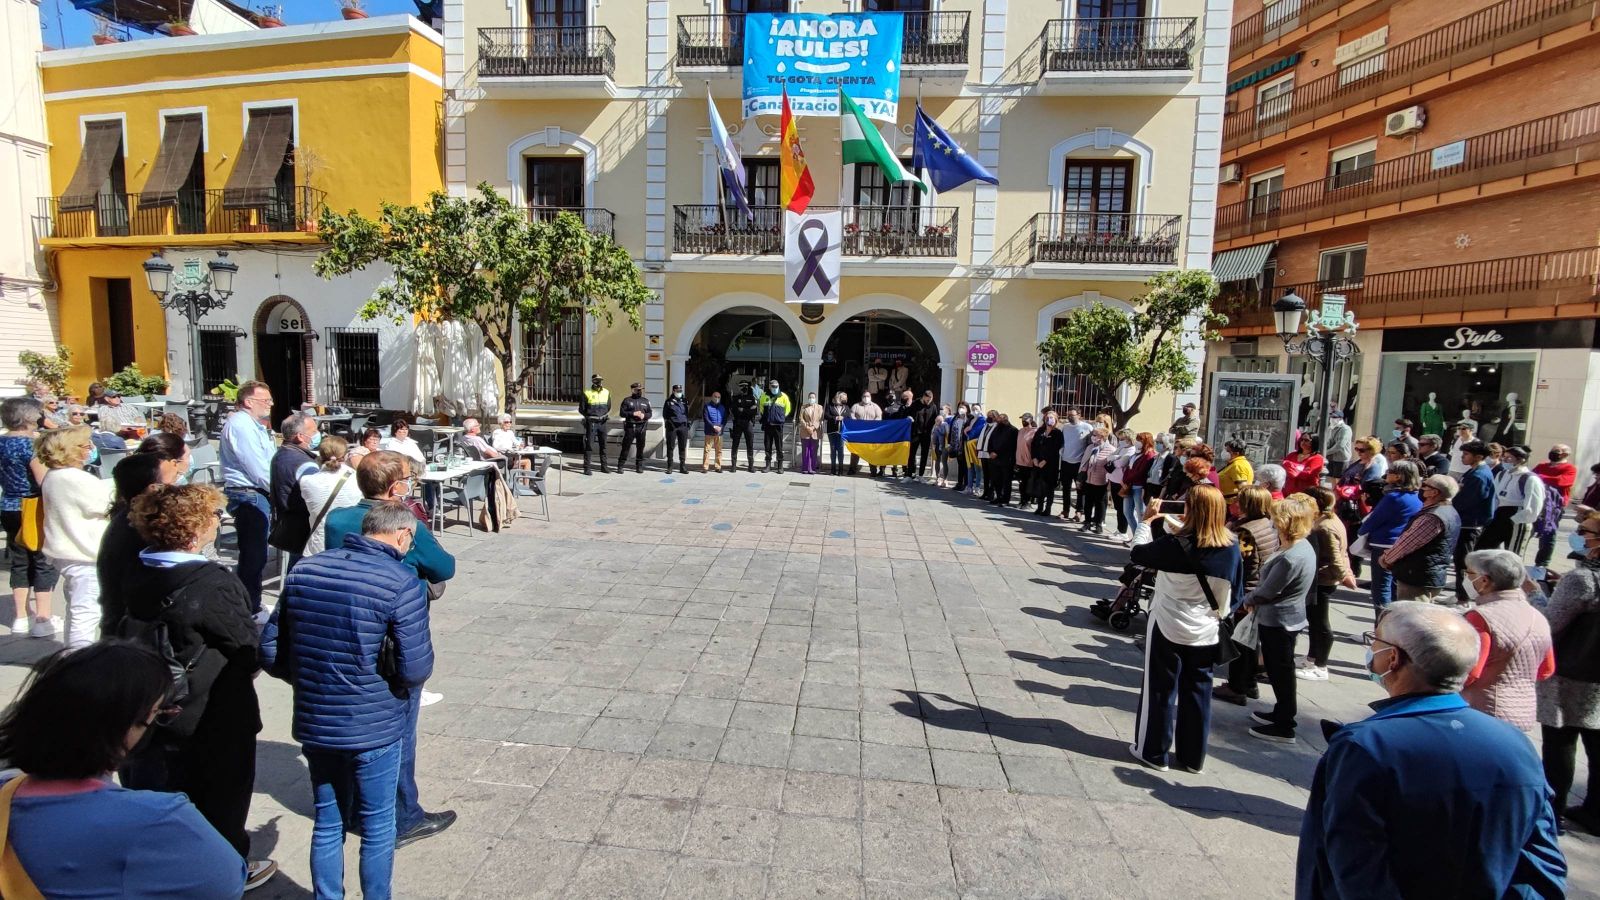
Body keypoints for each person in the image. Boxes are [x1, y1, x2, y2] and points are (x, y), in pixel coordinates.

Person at [1297, 601, 1566, 899]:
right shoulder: (1517, 744)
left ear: (1393, 658)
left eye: (1375, 641)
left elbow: (1353, 867)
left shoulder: (1365, 747)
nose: (1372, 648)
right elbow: (1542, 863)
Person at [262, 502, 434, 899]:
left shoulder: (305, 570)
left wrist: (313, 682)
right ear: (403, 535)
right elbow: (414, 668)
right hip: (375, 722)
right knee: (377, 824)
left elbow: (270, 650)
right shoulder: (400, 581)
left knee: (328, 820)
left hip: (316, 719)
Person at [119, 483, 276, 888]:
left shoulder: (135, 567)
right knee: (221, 796)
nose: (217, 522)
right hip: (209, 710)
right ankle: (224, 872)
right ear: (192, 528)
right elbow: (245, 645)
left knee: (161, 791)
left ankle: (165, 867)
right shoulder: (209, 582)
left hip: (147, 704)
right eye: (211, 517)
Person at [0, 643, 248, 897]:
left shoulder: (5, 789)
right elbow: (226, 883)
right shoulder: (157, 818)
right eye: (157, 715)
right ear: (124, 729)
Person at [323, 452, 457, 848]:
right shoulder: (403, 523)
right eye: (406, 479)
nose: (410, 483)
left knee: (354, 720)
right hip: (392, 634)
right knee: (399, 727)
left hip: (347, 628)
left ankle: (353, 807)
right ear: (394, 487)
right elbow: (443, 567)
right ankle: (402, 816)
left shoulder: (338, 519)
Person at [1128, 486, 1242, 773]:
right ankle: (1193, 758)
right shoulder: (1231, 546)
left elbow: (1138, 553)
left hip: (1168, 621)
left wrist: (1146, 521)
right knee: (1198, 690)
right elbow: (1236, 591)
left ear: (1191, 510)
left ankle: (1152, 751)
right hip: (1207, 625)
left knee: (1160, 687)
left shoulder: (1177, 545)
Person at [1538, 512, 1600, 835]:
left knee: (1560, 743)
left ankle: (1552, 813)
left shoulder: (1583, 580)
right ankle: (1595, 812)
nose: (1578, 535)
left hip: (1571, 673)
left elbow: (1549, 625)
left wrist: (1536, 594)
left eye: (1585, 531)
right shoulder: (1581, 579)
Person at [1239, 494, 1318, 743]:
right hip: (1284, 617)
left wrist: (1247, 600)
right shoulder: (1298, 546)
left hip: (1279, 620)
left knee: (1280, 670)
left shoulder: (1291, 556)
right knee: (1279, 669)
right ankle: (1281, 712)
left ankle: (1285, 723)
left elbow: (1268, 591)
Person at [1460, 549, 1555, 731]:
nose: (1465, 577)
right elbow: (1546, 670)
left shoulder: (1481, 617)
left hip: (1483, 712)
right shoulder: (1537, 616)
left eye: (1468, 573)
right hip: (1523, 712)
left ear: (1484, 580)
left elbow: (1470, 672)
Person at [37, 426, 112, 650]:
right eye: (85, 445)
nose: (90, 448)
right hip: (84, 553)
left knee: (77, 608)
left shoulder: (55, 475)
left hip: (68, 552)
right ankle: (78, 659)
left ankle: (72, 655)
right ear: (70, 450)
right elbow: (106, 503)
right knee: (86, 611)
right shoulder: (73, 478)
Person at [0, 397, 56, 637]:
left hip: (8, 505)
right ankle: (43, 619)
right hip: (32, 506)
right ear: (29, 417)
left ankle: (21, 617)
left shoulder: (1, 442)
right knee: (42, 562)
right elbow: (44, 480)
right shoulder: (31, 446)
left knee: (19, 562)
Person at [218, 380, 275, 614]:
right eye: (265, 400)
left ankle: (249, 602)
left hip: (254, 492)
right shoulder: (241, 426)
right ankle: (248, 606)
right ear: (249, 402)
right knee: (253, 555)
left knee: (257, 554)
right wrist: (278, 490)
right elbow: (257, 467)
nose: (270, 404)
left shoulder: (253, 424)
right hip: (248, 493)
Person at [96, 452, 167, 633]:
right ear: (153, 488)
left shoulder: (127, 518)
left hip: (124, 624)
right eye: (170, 480)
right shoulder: (138, 527)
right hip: (131, 631)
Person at [1298, 486, 1357, 682]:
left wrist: (1344, 575)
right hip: (1322, 578)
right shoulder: (1327, 521)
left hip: (1323, 580)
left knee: (1320, 624)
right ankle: (1311, 658)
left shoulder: (1324, 526)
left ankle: (1320, 665)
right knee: (1315, 622)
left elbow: (1336, 556)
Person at [1380, 474, 1462, 605]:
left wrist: (1386, 559)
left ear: (1434, 492)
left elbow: (1407, 544)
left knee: (1410, 620)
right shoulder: (1449, 511)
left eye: (1425, 485)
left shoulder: (1432, 517)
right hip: (1427, 575)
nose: (1421, 488)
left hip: (1417, 578)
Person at [1359, 459, 1423, 613]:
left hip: (1384, 544)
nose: (1387, 474)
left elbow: (1375, 519)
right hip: (1402, 544)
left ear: (1399, 477)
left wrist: (1362, 530)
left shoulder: (1393, 497)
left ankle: (1381, 625)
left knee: (1380, 587)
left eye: (1391, 472)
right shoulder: (1416, 496)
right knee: (1393, 585)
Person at [269, 411, 319, 571]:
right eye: (313, 431)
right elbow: (316, 496)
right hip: (304, 527)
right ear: (300, 436)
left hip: (291, 523)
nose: (318, 434)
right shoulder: (304, 464)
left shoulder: (281, 454)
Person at [298, 436, 364, 557]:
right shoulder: (358, 478)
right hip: (349, 547)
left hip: (318, 548)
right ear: (344, 456)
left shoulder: (306, 481)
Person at [1479, 445, 1545, 556]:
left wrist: (1515, 520)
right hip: (1499, 515)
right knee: (1483, 549)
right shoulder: (1502, 474)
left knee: (1512, 555)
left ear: (1520, 460)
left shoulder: (1530, 479)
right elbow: (1495, 496)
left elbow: (1534, 506)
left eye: (1509, 458)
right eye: (1504, 457)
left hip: (1517, 518)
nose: (1504, 460)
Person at [1454, 439, 1497, 601]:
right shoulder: (1473, 472)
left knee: (1465, 562)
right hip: (1466, 522)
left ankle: (1465, 597)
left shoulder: (1479, 475)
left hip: (1470, 524)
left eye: (1466, 454)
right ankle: (1462, 593)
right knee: (1461, 561)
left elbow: (1465, 501)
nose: (1462, 457)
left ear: (1478, 457)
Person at [1533, 444, 1578, 569]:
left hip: (1554, 506)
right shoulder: (1542, 466)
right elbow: (1530, 477)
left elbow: (1561, 481)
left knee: (1548, 533)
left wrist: (1539, 477)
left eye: (1556, 451)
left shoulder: (1570, 468)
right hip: (1537, 502)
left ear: (1565, 454)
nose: (1552, 452)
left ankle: (1542, 563)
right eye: (1552, 450)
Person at [1057, 409, 1094, 521]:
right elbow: (1063, 442)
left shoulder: (1087, 427)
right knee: (1066, 488)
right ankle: (1065, 510)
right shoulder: (1065, 427)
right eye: (1068, 415)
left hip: (1079, 463)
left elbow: (1091, 444)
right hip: (1066, 461)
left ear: (1079, 415)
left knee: (1080, 489)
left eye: (1072, 415)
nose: (1069, 417)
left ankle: (1079, 511)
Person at [1120, 432, 1157, 539]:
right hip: (1129, 486)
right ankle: (1136, 536)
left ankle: (1141, 539)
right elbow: (1129, 468)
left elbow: (1140, 472)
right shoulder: (1137, 453)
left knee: (1141, 514)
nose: (1137, 442)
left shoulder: (1149, 455)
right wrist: (1124, 479)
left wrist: (1126, 479)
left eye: (1140, 440)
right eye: (1137, 439)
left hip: (1138, 487)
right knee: (1127, 512)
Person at [1078, 427, 1115, 534]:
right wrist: (1080, 478)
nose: (1092, 437)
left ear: (1102, 437)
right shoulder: (1090, 447)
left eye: (1095, 435)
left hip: (1102, 480)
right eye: (1093, 435)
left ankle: (1099, 524)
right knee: (1088, 502)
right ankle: (1087, 522)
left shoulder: (1111, 449)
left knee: (1100, 503)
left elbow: (1111, 467)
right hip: (1089, 479)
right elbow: (1084, 463)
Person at [1030, 413, 1066, 516]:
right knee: (1040, 486)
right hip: (1038, 463)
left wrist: (1045, 460)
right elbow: (1033, 445)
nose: (1049, 420)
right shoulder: (1040, 431)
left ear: (1055, 420)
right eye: (1047, 418)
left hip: (1050, 464)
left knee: (1049, 487)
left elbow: (1055, 449)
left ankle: (1048, 508)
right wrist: (1034, 458)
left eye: (1051, 418)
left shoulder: (1057, 433)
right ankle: (1039, 507)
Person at [578, 374, 612, 475]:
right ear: (593, 381)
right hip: (591, 423)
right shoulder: (587, 392)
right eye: (597, 380)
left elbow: (609, 406)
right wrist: (589, 417)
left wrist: (602, 415)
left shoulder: (606, 392)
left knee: (604, 445)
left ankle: (604, 466)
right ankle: (587, 468)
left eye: (600, 380)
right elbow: (581, 409)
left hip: (602, 422)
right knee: (589, 446)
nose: (599, 382)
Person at [758, 379, 792, 473]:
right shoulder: (764, 396)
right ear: (769, 386)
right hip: (768, 425)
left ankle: (780, 466)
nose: (775, 388)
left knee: (779, 446)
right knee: (767, 446)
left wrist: (781, 417)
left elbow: (787, 409)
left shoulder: (783, 396)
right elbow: (761, 407)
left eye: (776, 386)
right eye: (773, 386)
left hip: (778, 425)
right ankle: (767, 466)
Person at [727, 381, 760, 474]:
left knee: (750, 444)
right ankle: (733, 466)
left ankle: (751, 466)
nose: (743, 388)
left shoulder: (751, 398)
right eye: (741, 386)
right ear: (739, 388)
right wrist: (748, 409)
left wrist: (743, 410)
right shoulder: (735, 398)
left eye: (745, 386)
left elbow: (754, 411)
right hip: (738, 423)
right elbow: (734, 411)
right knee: (735, 445)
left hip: (748, 423)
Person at [987, 413, 1019, 507]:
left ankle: (1005, 499)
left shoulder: (1013, 430)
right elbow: (990, 441)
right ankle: (998, 497)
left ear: (1005, 420)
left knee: (1006, 481)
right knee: (996, 480)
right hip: (994, 459)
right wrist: (991, 451)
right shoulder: (996, 428)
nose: (997, 422)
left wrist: (997, 453)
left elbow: (1010, 446)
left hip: (1006, 460)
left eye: (999, 420)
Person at [849, 391, 883, 476]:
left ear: (870, 397)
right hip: (858, 433)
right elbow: (851, 415)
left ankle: (873, 471)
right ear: (861, 397)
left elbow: (879, 417)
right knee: (855, 452)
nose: (866, 397)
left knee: (872, 452)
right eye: (864, 396)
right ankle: (852, 469)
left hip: (871, 434)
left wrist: (871, 426)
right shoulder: (856, 406)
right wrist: (858, 424)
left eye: (868, 396)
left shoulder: (875, 407)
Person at [660, 385, 690, 475]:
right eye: (678, 390)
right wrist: (670, 423)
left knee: (682, 447)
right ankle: (670, 467)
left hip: (683, 427)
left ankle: (682, 466)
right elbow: (665, 414)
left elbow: (686, 413)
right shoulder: (668, 401)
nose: (679, 392)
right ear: (673, 391)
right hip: (672, 427)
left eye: (680, 390)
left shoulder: (684, 400)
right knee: (670, 447)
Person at [1216, 438, 1253, 503]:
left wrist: (1236, 505)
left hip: (1231, 505)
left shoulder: (1238, 465)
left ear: (1236, 453)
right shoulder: (1234, 463)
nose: (1224, 453)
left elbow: (1244, 490)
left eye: (1227, 451)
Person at [912, 390, 937, 480]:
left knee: (924, 454)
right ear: (923, 397)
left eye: (930, 400)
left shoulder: (933, 407)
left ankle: (921, 475)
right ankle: (910, 474)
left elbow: (935, 419)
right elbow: (910, 414)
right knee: (912, 453)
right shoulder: (915, 404)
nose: (928, 402)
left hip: (926, 434)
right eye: (927, 400)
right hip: (915, 433)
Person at [796, 392, 823, 476]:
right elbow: (801, 418)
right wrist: (807, 427)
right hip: (805, 431)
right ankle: (805, 468)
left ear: (815, 398)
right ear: (808, 398)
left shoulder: (820, 407)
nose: (812, 399)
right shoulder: (803, 407)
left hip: (815, 431)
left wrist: (813, 427)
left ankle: (812, 468)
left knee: (813, 450)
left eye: (813, 397)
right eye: (810, 397)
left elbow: (820, 419)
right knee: (805, 450)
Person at [1014, 414, 1038, 508]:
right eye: (1022, 419)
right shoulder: (1020, 431)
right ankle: (1022, 500)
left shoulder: (1034, 432)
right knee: (1021, 483)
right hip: (1020, 461)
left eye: (1025, 419)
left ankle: (1027, 502)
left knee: (1028, 483)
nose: (1023, 421)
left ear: (1030, 420)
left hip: (1029, 463)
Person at [946, 401, 971, 489]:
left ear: (967, 409)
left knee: (965, 465)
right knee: (960, 464)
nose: (961, 409)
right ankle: (959, 483)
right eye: (960, 407)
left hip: (965, 444)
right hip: (956, 445)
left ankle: (966, 483)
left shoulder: (969, 418)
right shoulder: (955, 418)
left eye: (963, 407)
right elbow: (951, 431)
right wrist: (949, 443)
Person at [702, 389, 728, 473]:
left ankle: (718, 467)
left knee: (719, 450)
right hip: (709, 431)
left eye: (718, 397)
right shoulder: (707, 406)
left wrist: (721, 427)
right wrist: (713, 426)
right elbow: (706, 418)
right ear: (712, 397)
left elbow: (724, 419)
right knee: (707, 450)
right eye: (715, 396)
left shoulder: (722, 407)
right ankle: (705, 467)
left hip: (719, 432)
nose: (717, 398)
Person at [823, 392, 849, 477]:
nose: (845, 399)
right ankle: (833, 469)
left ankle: (840, 470)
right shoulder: (830, 406)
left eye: (846, 398)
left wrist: (843, 418)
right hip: (832, 431)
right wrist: (835, 418)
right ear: (838, 398)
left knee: (840, 450)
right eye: (843, 398)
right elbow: (826, 415)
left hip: (841, 432)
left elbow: (849, 417)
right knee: (833, 450)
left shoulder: (846, 407)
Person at [1323, 409, 1352, 478]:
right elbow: (1327, 441)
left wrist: (1325, 452)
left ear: (1340, 418)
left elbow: (1340, 445)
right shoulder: (1330, 428)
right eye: (1331, 417)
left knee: (1338, 479)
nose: (1332, 419)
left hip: (1341, 458)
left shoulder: (1345, 429)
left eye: (1334, 417)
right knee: (1330, 477)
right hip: (1331, 457)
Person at [930, 405, 952, 488]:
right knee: (937, 461)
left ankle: (945, 479)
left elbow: (947, 433)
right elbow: (933, 434)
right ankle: (937, 478)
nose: (941, 410)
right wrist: (933, 444)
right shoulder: (935, 425)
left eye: (943, 409)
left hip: (944, 445)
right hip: (937, 445)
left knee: (944, 461)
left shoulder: (945, 424)